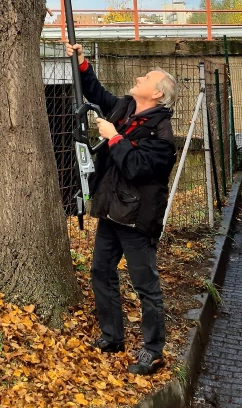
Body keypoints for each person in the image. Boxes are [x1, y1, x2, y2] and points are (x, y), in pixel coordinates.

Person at [65, 42, 177, 375]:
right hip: (112, 211)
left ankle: (153, 350)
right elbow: (97, 93)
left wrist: (114, 137)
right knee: (101, 271)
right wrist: (82, 63)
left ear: (156, 94)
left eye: (146, 78)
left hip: (137, 219)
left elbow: (138, 168)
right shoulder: (126, 108)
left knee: (145, 285)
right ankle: (112, 337)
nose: (139, 78)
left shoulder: (161, 134)